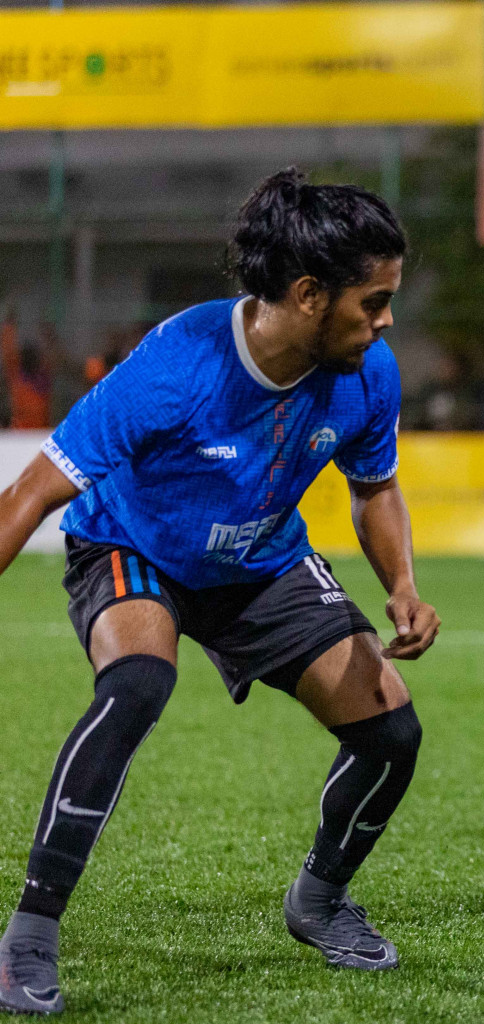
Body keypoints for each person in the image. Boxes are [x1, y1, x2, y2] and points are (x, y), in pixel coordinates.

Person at [0, 168, 441, 1014]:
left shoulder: (367, 372)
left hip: (261, 562)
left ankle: (318, 900)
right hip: (133, 547)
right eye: (372, 302)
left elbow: (374, 485)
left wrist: (403, 585)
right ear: (310, 294)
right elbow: (31, 494)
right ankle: (32, 929)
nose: (385, 323)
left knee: (393, 732)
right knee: (136, 685)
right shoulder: (176, 367)